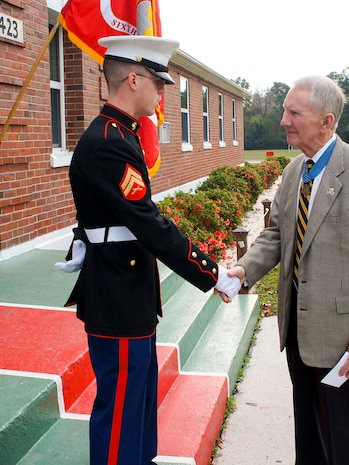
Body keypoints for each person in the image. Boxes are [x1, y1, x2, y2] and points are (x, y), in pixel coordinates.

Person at [58, 35, 241, 465]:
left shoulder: (121, 134)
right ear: (134, 80)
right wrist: (213, 272)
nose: (162, 95)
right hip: (117, 294)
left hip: (130, 290)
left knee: (138, 399)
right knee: (121, 406)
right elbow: (151, 226)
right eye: (159, 85)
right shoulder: (109, 142)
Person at [228, 76, 349, 465]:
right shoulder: (294, 171)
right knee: (308, 437)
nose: (284, 121)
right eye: (286, 111)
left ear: (326, 121)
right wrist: (242, 271)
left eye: (294, 113)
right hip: (297, 333)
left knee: (344, 440)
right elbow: (277, 235)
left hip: (343, 343)